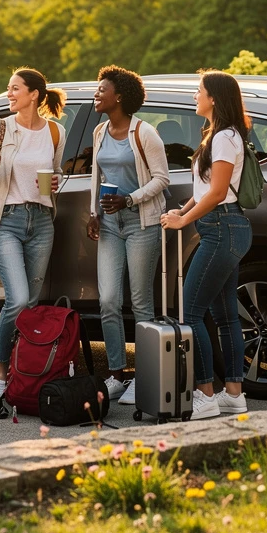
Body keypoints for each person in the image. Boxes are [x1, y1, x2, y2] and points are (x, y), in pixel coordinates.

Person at [160, 69, 253, 420]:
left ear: (214, 97)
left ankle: (205, 395)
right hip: (224, 226)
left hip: (222, 228)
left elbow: (217, 192)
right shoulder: (219, 135)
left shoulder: (224, 138)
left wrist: (184, 221)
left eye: (199, 91)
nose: (194, 96)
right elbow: (206, 190)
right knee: (225, 316)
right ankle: (233, 396)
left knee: (190, 312)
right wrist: (182, 210)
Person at [0, 68, 67, 398]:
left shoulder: (55, 132)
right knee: (16, 300)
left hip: (42, 221)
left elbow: (54, 173)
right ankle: (1, 363)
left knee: (30, 303)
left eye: (15, 89)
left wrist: (57, 181)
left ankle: (22, 363)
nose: (10, 94)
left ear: (34, 94)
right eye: (8, 89)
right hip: (9, 222)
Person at [86, 66, 170, 404]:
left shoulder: (144, 133)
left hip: (141, 223)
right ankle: (117, 373)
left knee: (140, 302)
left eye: (101, 89)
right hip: (109, 224)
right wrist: (92, 212)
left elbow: (162, 179)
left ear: (118, 96)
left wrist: (129, 199)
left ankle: (145, 376)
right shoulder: (100, 131)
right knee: (107, 300)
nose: (96, 94)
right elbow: (97, 173)